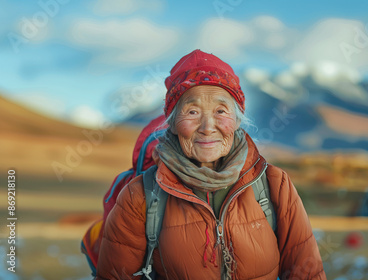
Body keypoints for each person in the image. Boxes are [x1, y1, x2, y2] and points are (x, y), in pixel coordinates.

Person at [96, 49, 326, 280]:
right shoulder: (140, 196)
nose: (207, 127)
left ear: (237, 120)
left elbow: (306, 273)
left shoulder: (275, 184)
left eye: (220, 111)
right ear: (173, 124)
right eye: (192, 111)